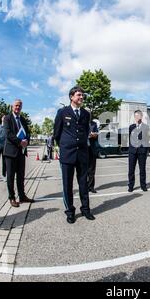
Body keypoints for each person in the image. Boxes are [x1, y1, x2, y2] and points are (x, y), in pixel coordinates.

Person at [53, 86, 95, 224]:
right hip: (68, 154)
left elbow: (85, 132)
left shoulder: (86, 114)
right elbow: (57, 134)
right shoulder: (62, 112)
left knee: (83, 183)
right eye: (79, 95)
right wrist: (64, 146)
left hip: (82, 153)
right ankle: (70, 212)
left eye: (82, 95)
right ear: (71, 97)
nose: (81, 97)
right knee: (67, 185)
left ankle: (86, 209)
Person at [3, 99, 34, 207]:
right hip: (10, 153)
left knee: (21, 176)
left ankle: (22, 196)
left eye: (20, 106)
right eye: (16, 105)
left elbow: (27, 133)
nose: (18, 107)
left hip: (21, 153)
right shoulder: (7, 118)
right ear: (12, 106)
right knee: (10, 177)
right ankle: (12, 197)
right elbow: (8, 134)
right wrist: (20, 142)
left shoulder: (23, 120)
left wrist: (27, 141)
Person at [128, 110, 150, 192]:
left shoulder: (146, 127)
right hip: (132, 151)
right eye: (135, 116)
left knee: (142, 170)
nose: (137, 117)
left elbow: (147, 140)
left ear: (141, 117)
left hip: (142, 151)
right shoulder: (131, 127)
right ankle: (130, 186)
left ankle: (143, 185)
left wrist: (146, 151)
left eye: (138, 116)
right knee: (131, 170)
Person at [88, 119, 100, 193]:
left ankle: (91, 187)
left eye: (89, 113)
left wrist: (94, 135)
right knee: (84, 170)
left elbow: (97, 134)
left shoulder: (94, 124)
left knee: (92, 169)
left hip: (92, 149)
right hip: (83, 149)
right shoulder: (81, 121)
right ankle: (85, 186)